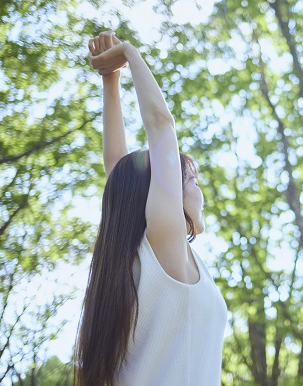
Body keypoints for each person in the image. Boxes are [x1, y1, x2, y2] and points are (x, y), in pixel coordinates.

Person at [74, 31, 227, 386]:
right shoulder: (165, 247)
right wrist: (127, 52)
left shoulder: (146, 258)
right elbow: (160, 125)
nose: (199, 191)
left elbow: (118, 167)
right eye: (193, 181)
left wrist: (110, 81)